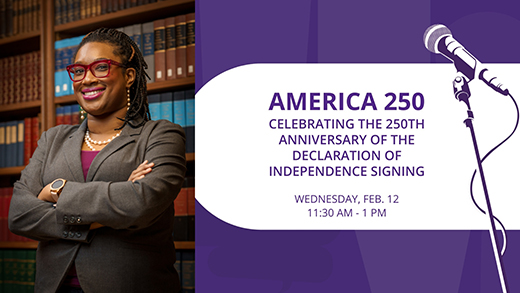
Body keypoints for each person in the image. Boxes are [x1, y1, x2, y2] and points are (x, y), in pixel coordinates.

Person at [8, 28, 186, 293]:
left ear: (129, 76)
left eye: (100, 67)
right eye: (79, 71)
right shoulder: (52, 139)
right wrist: (116, 200)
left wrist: (56, 191)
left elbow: (142, 203)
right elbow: (19, 215)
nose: (87, 79)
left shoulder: (160, 135)